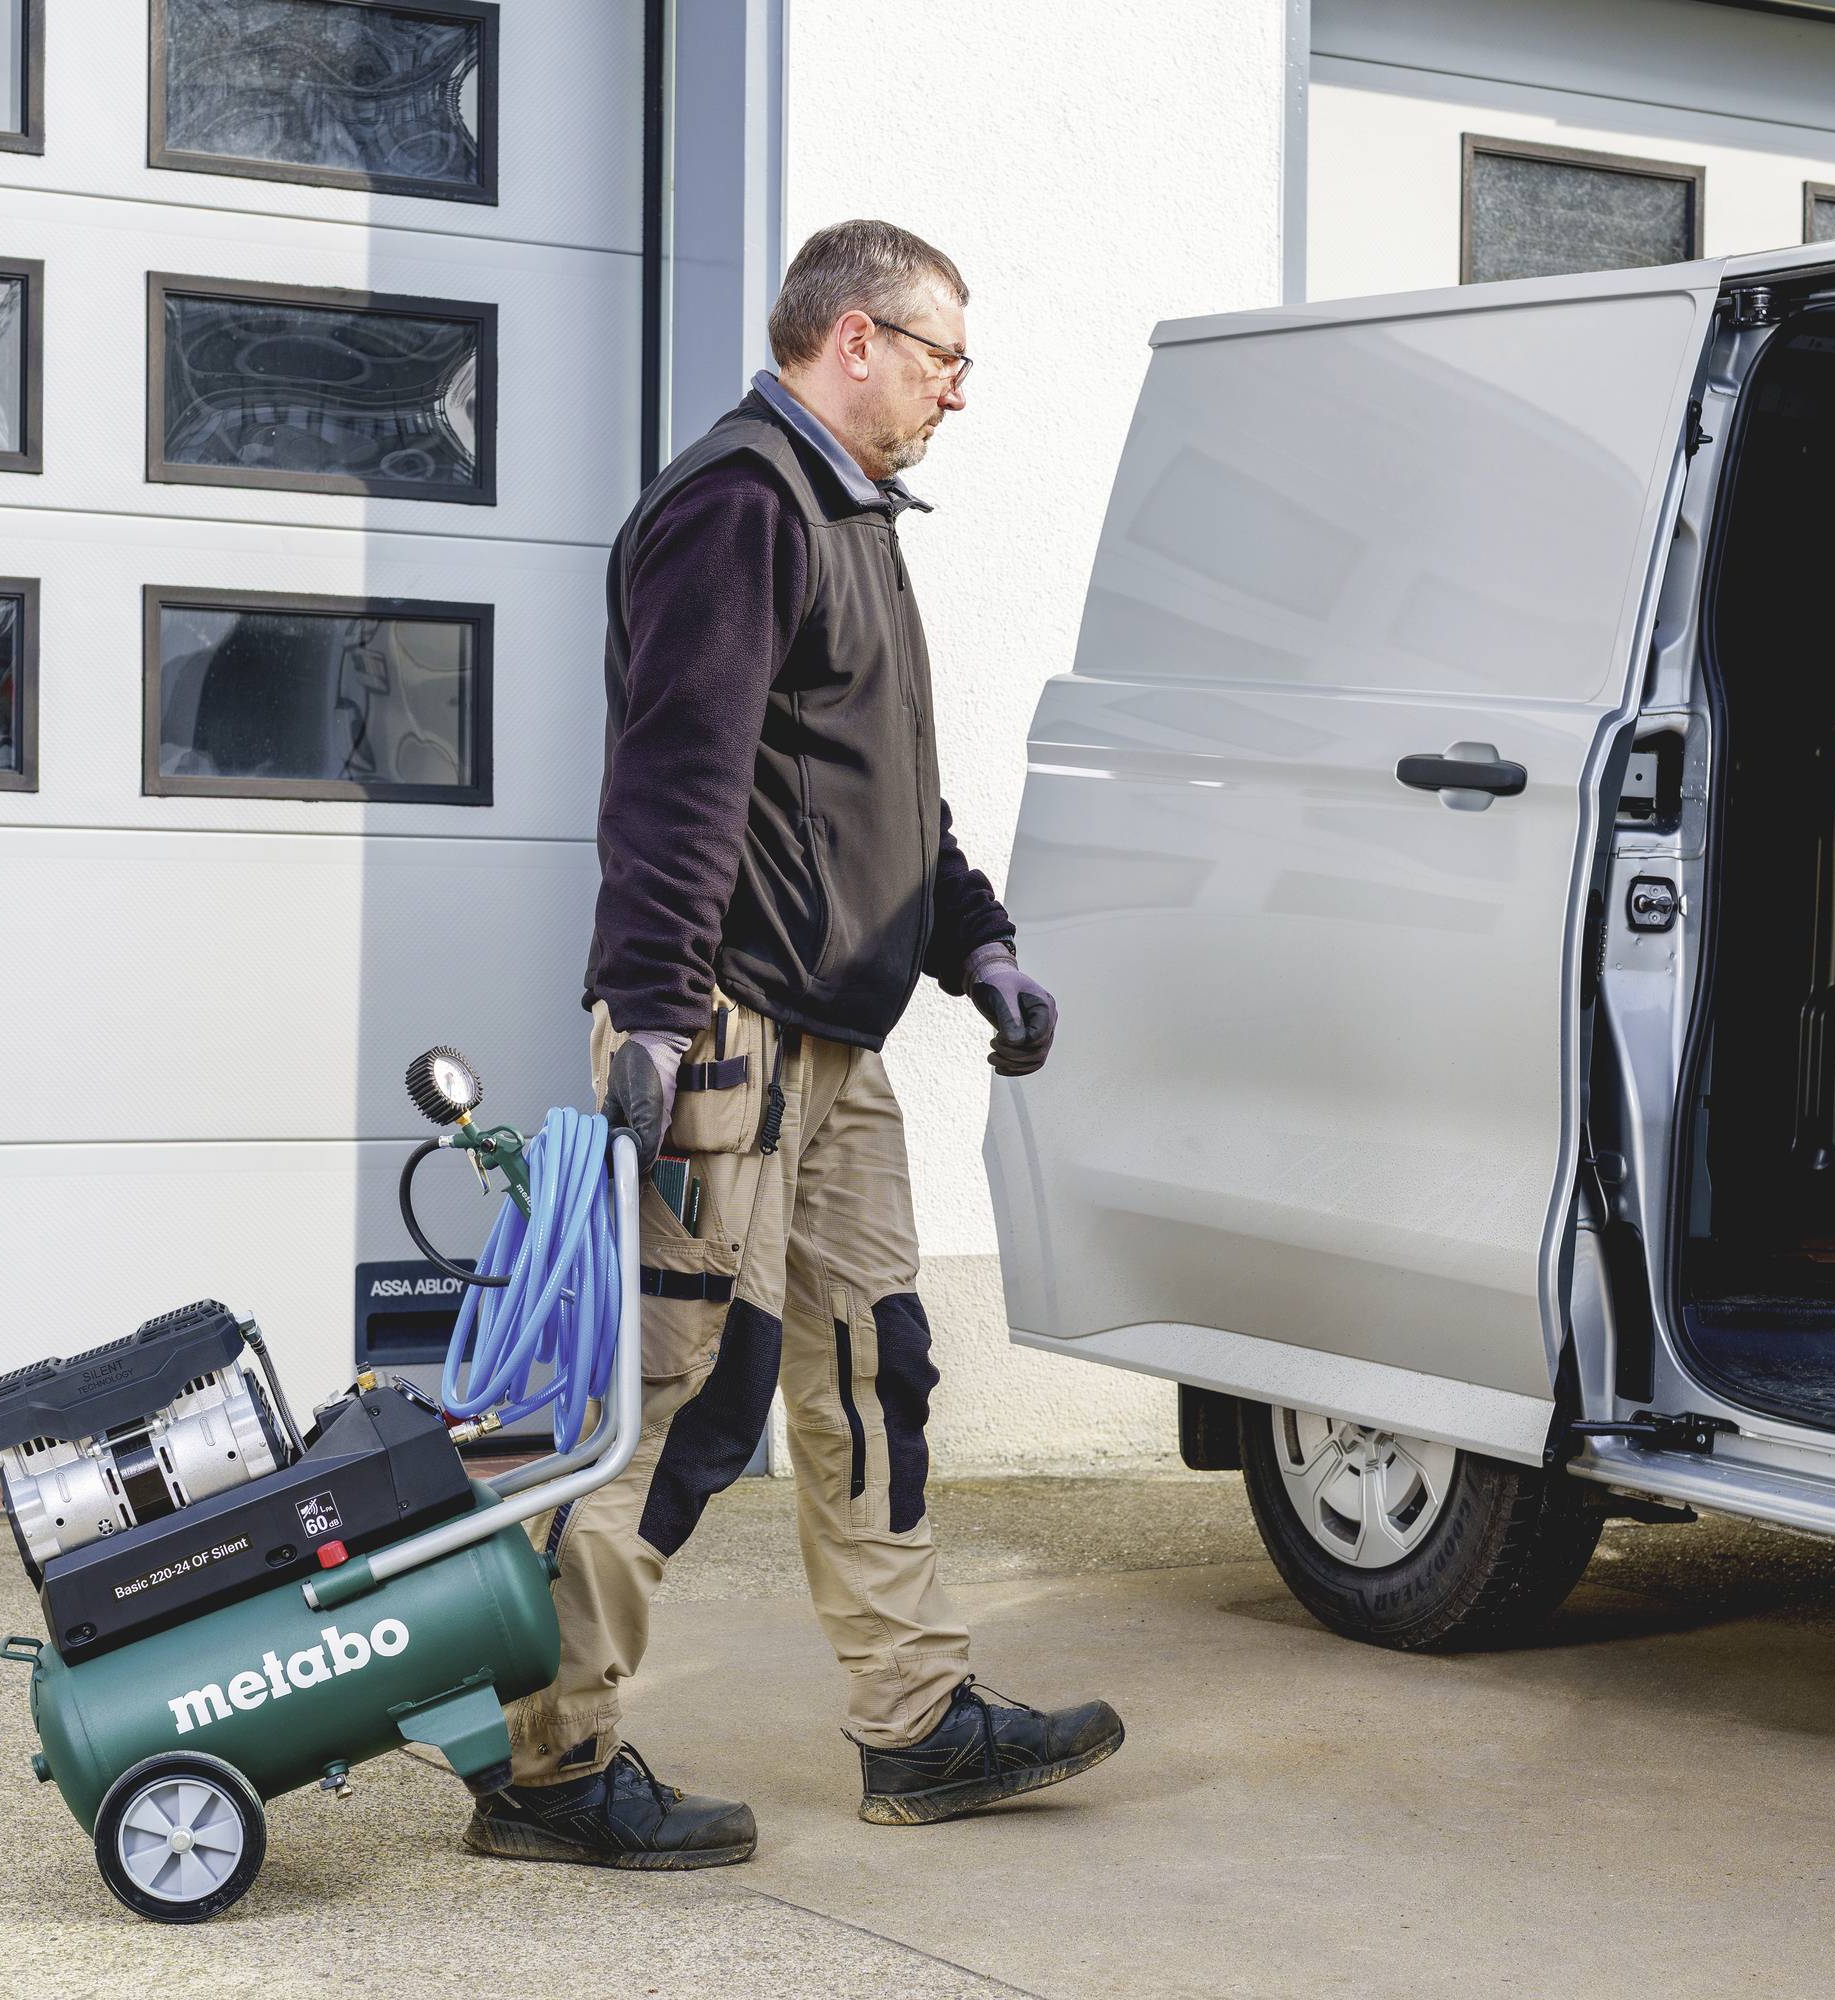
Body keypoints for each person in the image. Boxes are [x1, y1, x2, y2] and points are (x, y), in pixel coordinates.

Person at [466, 220, 1123, 1870]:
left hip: (839, 1041)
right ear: (853, 338)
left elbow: (883, 783)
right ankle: (546, 1762)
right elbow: (676, 779)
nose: (958, 391)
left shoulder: (850, 515)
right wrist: (652, 1011)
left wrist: (975, 941)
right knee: (680, 1396)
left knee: (875, 1373)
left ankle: (917, 1721)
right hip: (726, 1030)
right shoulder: (741, 505)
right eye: (943, 355)